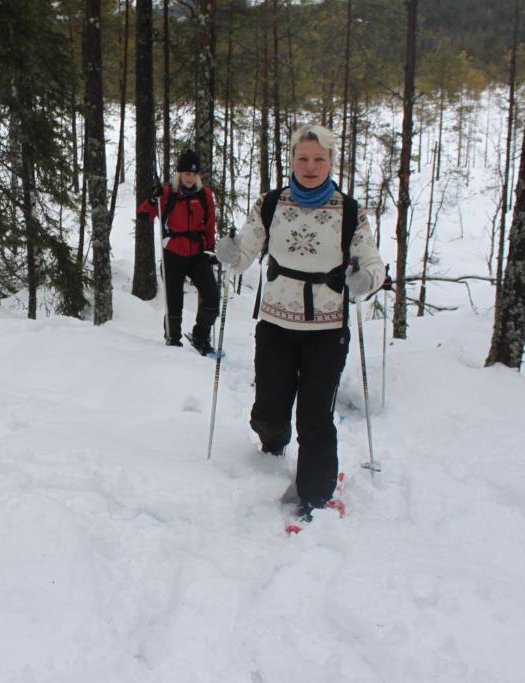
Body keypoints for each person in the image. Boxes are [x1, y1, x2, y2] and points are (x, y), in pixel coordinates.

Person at [215, 124, 386, 519]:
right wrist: (228, 254)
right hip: (276, 322)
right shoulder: (270, 204)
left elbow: (373, 265)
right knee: (269, 413)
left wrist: (364, 280)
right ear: (291, 159)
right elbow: (244, 257)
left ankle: (313, 495)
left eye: (319, 159)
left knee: (315, 415)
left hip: (327, 329)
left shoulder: (350, 212)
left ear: (331, 161)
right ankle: (273, 442)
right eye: (303, 158)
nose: (311, 166)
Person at [137, 149, 219, 355]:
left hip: (198, 253)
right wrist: (152, 199)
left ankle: (200, 336)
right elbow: (144, 214)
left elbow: (210, 224)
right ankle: (173, 339)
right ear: (180, 174)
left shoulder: (205, 195)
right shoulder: (167, 193)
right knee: (174, 301)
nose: (190, 178)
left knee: (211, 296)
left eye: (193, 174)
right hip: (173, 253)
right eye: (186, 173)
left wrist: (210, 250)